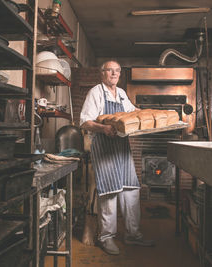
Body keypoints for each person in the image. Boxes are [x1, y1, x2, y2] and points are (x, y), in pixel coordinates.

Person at [80, 60, 154, 255]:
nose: (114, 74)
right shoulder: (96, 92)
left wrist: (149, 116)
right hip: (104, 148)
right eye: (110, 70)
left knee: (131, 190)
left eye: (117, 71)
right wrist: (103, 128)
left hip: (122, 148)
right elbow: (84, 121)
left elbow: (132, 112)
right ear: (102, 73)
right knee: (110, 192)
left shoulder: (121, 93)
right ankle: (106, 238)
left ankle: (133, 234)